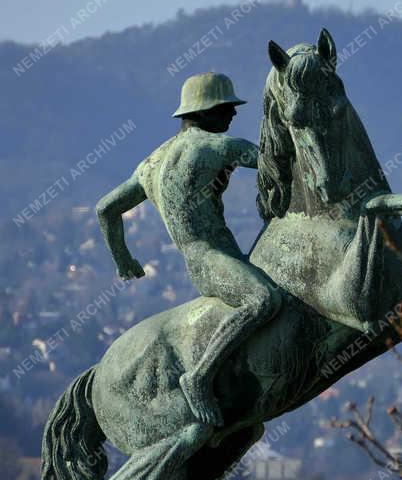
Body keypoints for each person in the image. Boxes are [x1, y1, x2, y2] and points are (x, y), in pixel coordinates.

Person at [96, 72, 280, 426]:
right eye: (227, 107)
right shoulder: (219, 147)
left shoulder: (151, 163)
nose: (233, 115)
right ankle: (199, 377)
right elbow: (281, 164)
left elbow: (105, 209)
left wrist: (124, 259)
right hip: (211, 259)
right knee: (263, 300)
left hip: (200, 259)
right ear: (206, 110)